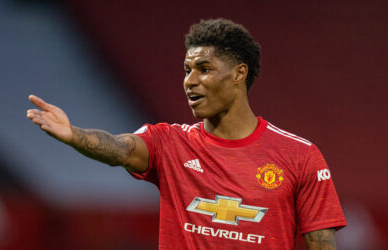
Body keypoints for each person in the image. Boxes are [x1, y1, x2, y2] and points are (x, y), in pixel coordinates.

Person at [27, 18, 346, 249]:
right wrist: (73, 135)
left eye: (203, 69)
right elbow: (121, 149)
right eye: (186, 70)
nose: (189, 81)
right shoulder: (169, 143)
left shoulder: (300, 156)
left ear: (239, 74)